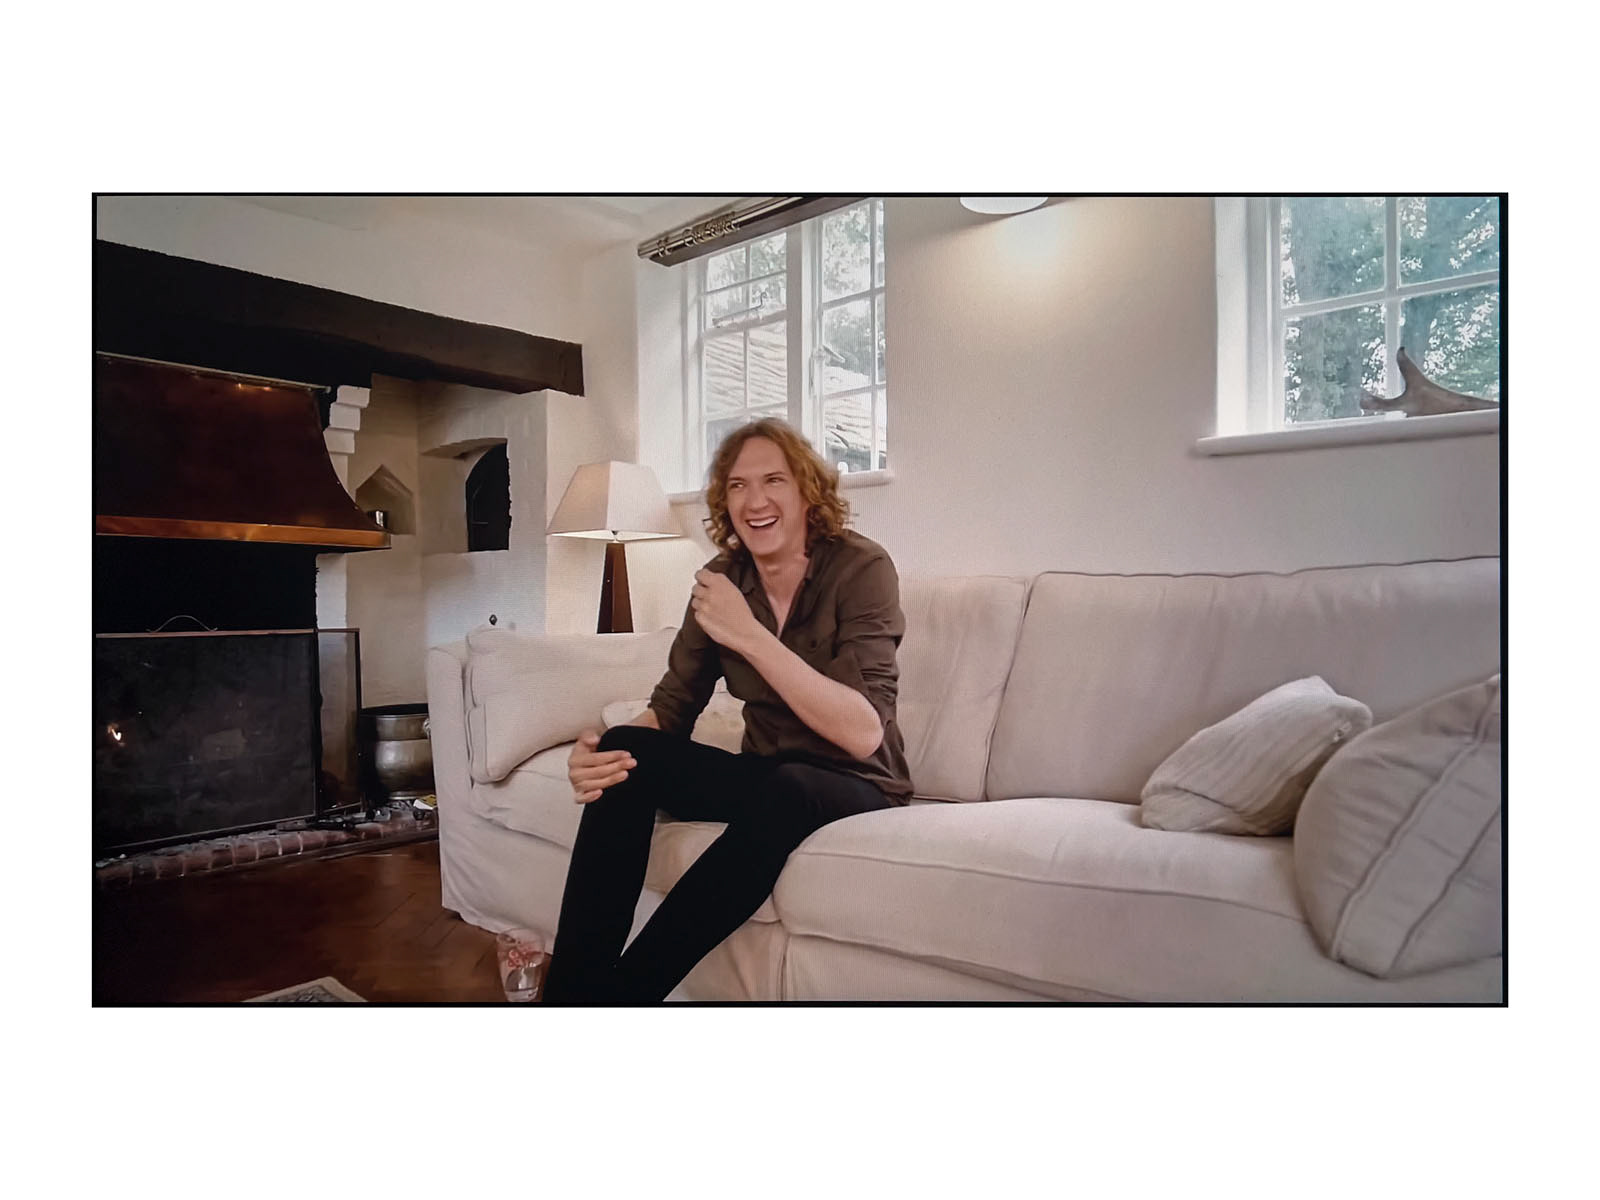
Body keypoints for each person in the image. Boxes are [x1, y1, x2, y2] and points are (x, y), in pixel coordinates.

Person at [541, 419, 913, 1003]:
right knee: (626, 752)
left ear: (807, 492)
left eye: (774, 480)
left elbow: (864, 732)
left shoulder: (860, 569)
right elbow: (670, 710)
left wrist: (749, 634)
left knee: (791, 786)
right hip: (767, 778)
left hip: (858, 784)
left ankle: (624, 998)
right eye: (738, 485)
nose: (755, 501)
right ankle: (572, 1001)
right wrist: (603, 757)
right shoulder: (720, 581)